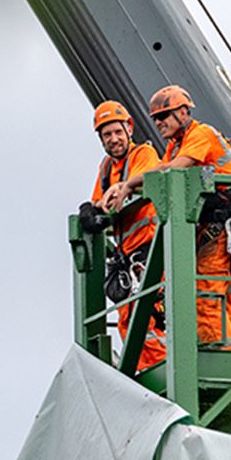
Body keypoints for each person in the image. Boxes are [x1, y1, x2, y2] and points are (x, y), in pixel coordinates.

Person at [101, 85, 231, 350]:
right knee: (226, 292)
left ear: (183, 112)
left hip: (223, 227)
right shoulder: (175, 145)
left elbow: (172, 170)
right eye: (155, 118)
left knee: (206, 292)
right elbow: (160, 170)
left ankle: (218, 356)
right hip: (214, 228)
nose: (158, 123)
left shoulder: (200, 134)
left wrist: (128, 184)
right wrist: (125, 187)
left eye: (164, 116)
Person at [86, 100, 165, 372]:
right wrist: (90, 209)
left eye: (117, 132)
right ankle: (146, 368)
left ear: (129, 129)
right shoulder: (107, 167)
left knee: (150, 315)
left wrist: (124, 189)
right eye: (107, 135)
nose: (113, 139)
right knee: (127, 319)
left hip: (152, 249)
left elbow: (145, 176)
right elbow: (100, 201)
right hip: (127, 255)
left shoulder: (142, 154)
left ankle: (161, 368)